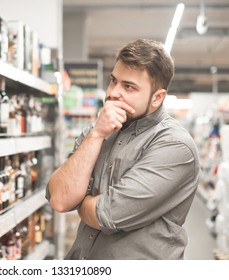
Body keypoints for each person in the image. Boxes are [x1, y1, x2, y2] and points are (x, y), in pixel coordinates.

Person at [46, 39, 200, 259]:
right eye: (113, 81)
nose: (113, 93)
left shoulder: (175, 146)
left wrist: (80, 201)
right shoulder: (98, 131)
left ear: (157, 98)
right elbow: (60, 198)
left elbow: (107, 214)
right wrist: (97, 134)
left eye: (128, 87)